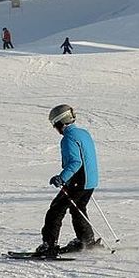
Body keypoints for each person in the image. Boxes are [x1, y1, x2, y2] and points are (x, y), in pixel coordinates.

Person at [35, 103, 103, 257]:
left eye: (55, 125)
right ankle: (86, 240)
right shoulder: (83, 133)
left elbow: (75, 162)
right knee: (78, 209)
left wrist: (62, 178)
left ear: (61, 123)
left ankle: (49, 245)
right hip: (90, 181)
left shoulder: (68, 138)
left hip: (78, 181)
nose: (55, 129)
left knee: (56, 210)